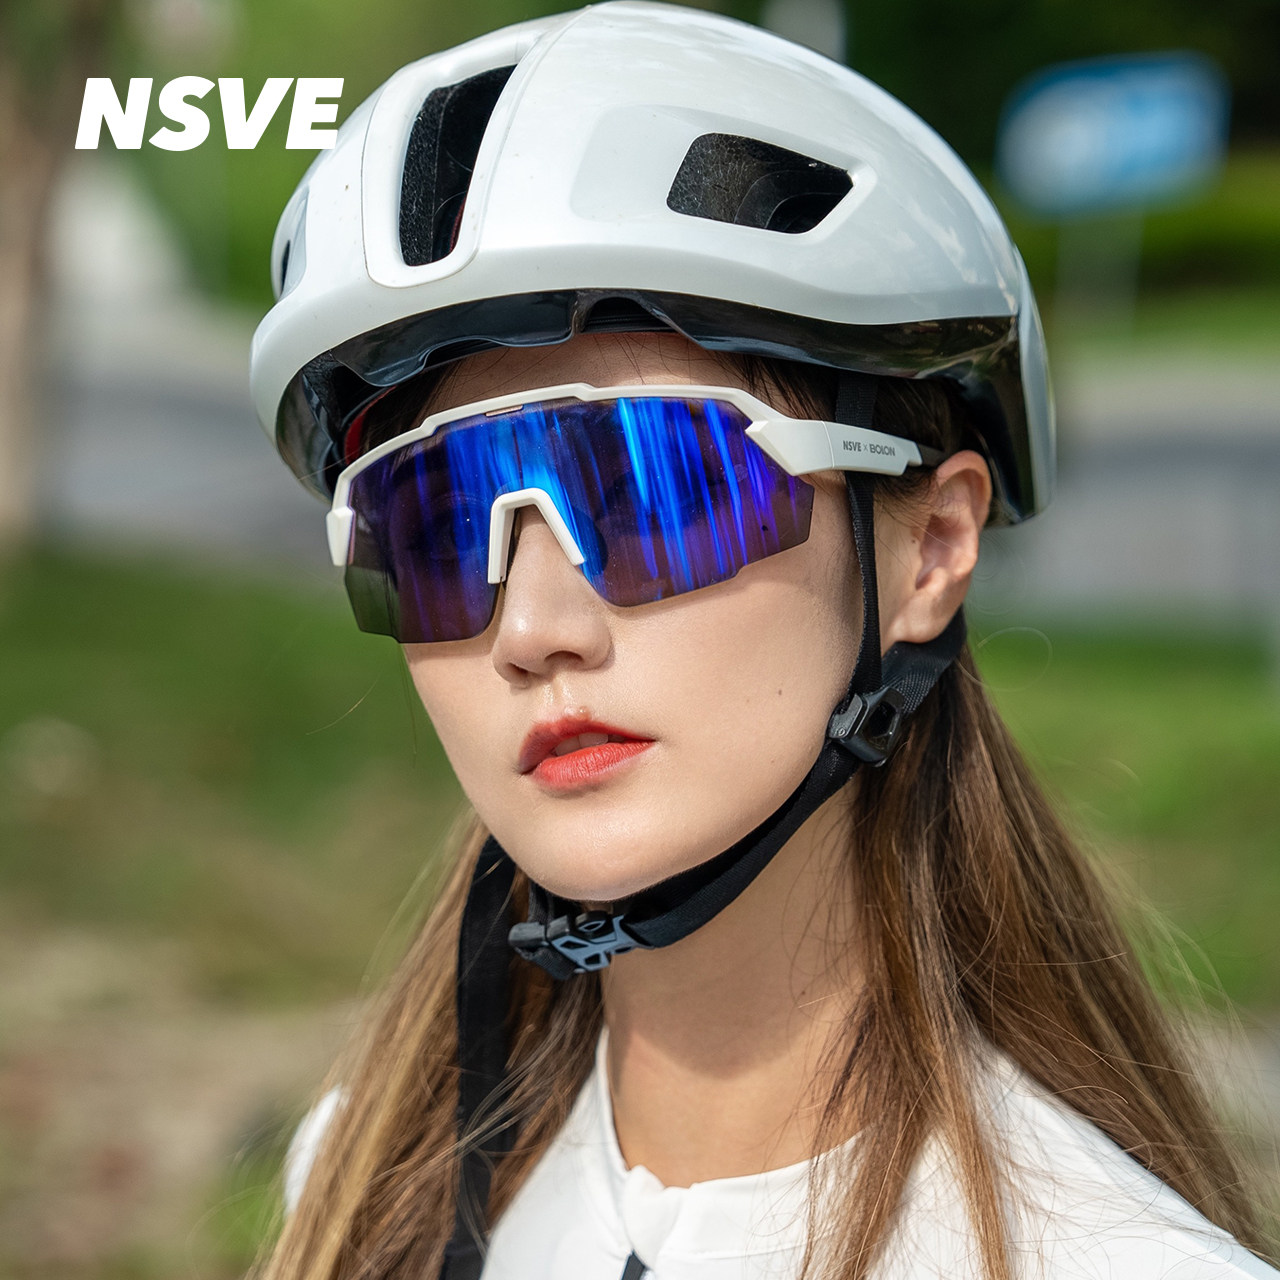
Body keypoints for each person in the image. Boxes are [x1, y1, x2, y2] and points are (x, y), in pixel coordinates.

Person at [248, 5, 1277, 1279]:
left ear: (930, 547)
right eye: (438, 528)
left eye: (659, 490)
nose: (531, 630)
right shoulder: (362, 1183)